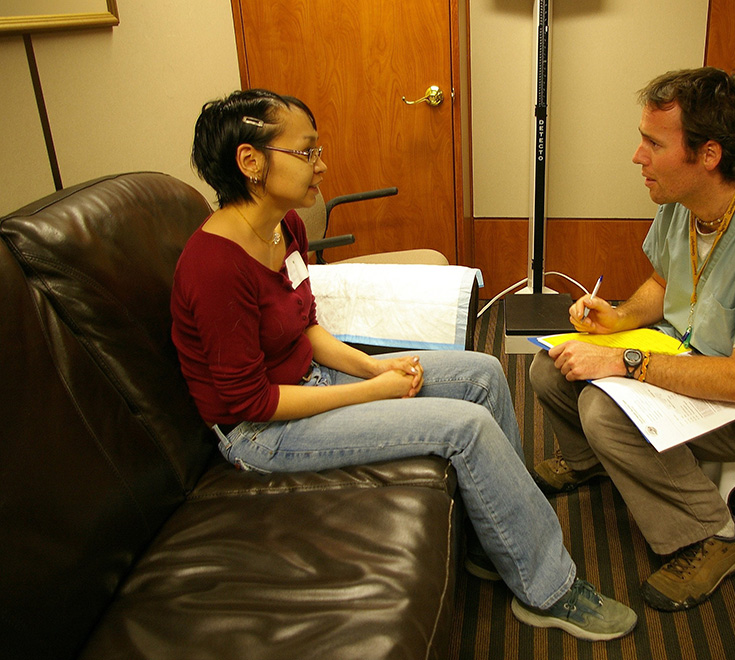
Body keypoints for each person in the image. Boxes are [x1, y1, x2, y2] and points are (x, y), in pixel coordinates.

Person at [170, 89, 636, 641]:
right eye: (306, 152)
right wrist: (374, 391)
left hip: (307, 382)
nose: (321, 164)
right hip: (262, 432)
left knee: (482, 375)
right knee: (464, 428)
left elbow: (306, 328)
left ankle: (499, 539)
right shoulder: (215, 268)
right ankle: (548, 588)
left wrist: (372, 369)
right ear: (251, 161)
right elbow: (252, 402)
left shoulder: (283, 227)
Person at [529, 67, 735, 612]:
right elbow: (663, 283)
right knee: (551, 367)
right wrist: (617, 318)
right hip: (691, 353)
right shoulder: (682, 202)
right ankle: (590, 462)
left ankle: (713, 534)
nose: (637, 156)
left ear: (709, 156)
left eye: (653, 143)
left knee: (606, 412)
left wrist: (624, 360)